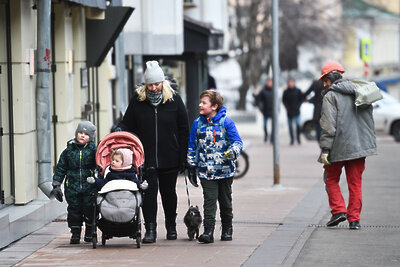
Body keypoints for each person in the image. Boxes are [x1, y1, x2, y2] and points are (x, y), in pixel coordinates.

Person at [117, 60, 189, 243]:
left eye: (157, 84)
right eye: (151, 84)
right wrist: (120, 132)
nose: (155, 88)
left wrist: (183, 158)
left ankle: (171, 227)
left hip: (170, 157)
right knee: (148, 195)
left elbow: (184, 130)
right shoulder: (137, 101)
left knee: (169, 194)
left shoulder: (174, 100)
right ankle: (150, 229)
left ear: (163, 83)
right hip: (145, 158)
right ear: (146, 85)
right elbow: (127, 125)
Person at [318, 61, 377, 230]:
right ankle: (354, 220)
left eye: (325, 80)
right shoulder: (360, 91)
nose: (324, 84)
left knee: (330, 179)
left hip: (338, 147)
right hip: (360, 148)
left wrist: (325, 150)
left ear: (330, 78)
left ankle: (338, 211)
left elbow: (328, 126)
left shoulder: (330, 96)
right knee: (355, 183)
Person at [187, 90, 243, 243]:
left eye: (204, 102)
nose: (200, 104)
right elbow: (192, 146)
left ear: (214, 106)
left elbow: (237, 142)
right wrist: (191, 165)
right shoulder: (197, 124)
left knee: (225, 202)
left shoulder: (226, 122)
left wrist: (233, 152)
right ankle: (208, 232)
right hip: (206, 172)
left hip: (224, 171)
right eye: (200, 102)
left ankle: (227, 229)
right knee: (209, 201)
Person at [51, 121, 97, 244]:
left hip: (89, 187)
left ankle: (89, 232)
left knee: (90, 210)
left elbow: (99, 166)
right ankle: (75, 233)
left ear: (91, 137)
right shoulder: (68, 151)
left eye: (86, 134)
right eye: (80, 133)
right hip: (72, 187)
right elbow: (61, 168)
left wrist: (98, 177)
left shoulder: (94, 151)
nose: (82, 135)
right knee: (74, 211)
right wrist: (56, 184)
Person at [282, 77, 303, 145]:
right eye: (289, 82)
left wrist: (298, 106)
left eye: (292, 82)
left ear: (294, 83)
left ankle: (298, 137)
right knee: (290, 126)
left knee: (298, 125)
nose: (291, 84)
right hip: (289, 112)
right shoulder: (286, 92)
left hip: (297, 111)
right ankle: (292, 139)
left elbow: (301, 99)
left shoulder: (298, 90)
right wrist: (287, 107)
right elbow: (284, 100)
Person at [255, 78, 274, 143]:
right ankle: (266, 135)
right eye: (268, 82)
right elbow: (258, 99)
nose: (269, 83)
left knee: (273, 126)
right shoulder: (263, 91)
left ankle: (271, 139)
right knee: (265, 126)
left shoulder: (274, 90)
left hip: (272, 111)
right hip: (265, 111)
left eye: (271, 82)